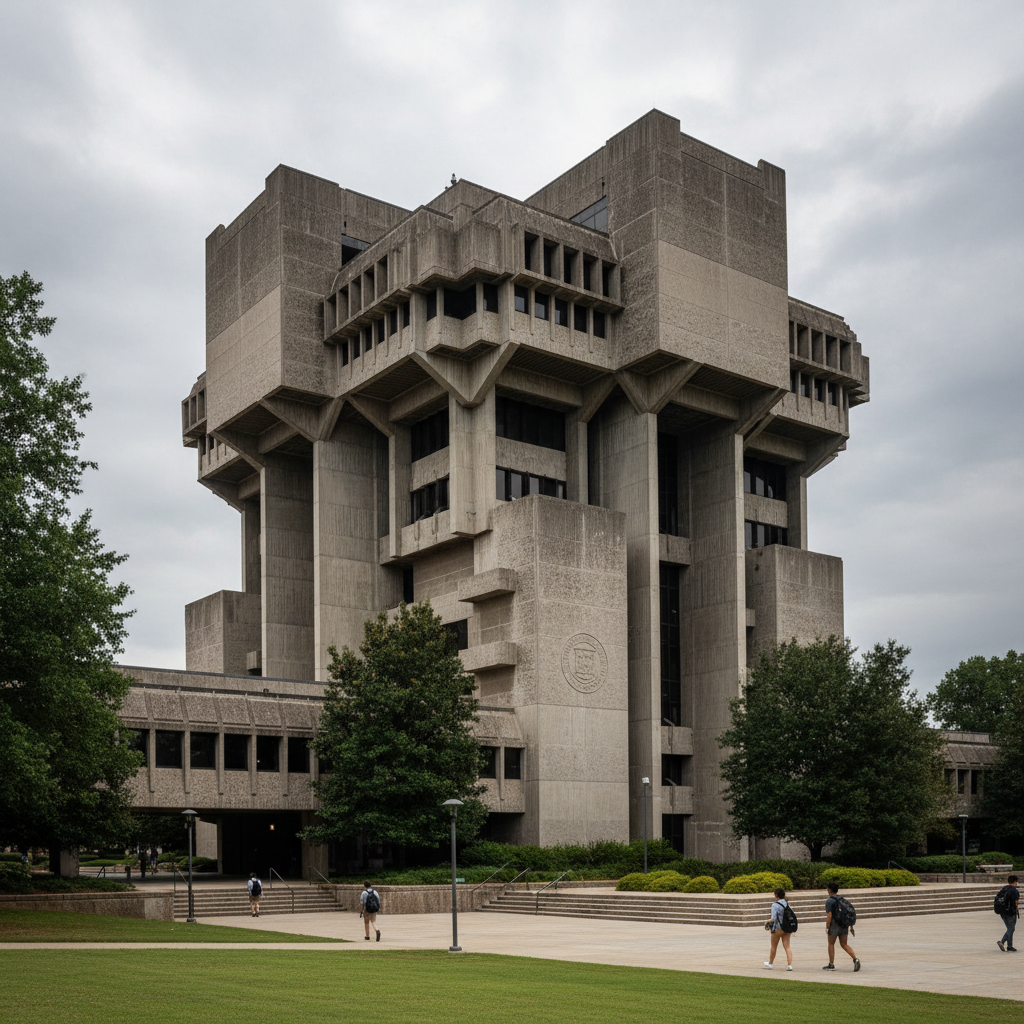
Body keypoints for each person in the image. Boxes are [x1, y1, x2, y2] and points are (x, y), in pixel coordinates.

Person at [824, 883, 860, 972]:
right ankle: (855, 959)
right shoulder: (841, 899)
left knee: (831, 943)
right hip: (844, 924)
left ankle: (831, 964)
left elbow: (829, 915)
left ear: (830, 890)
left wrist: (827, 927)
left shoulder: (829, 901)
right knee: (844, 944)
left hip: (834, 925)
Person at [764, 888, 794, 970]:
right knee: (787, 946)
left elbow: (773, 918)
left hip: (777, 928)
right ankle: (789, 965)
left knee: (774, 946)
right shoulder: (787, 904)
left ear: (776, 896)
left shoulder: (775, 905)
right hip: (787, 927)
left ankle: (770, 963)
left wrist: (767, 922)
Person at [996, 874, 1020, 952]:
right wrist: (1017, 909)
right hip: (1010, 912)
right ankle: (1002, 942)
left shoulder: (1004, 888)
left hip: (1002, 911)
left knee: (1010, 929)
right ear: (1015, 882)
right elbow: (1016, 902)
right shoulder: (1014, 890)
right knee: (1011, 928)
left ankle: (1010, 946)